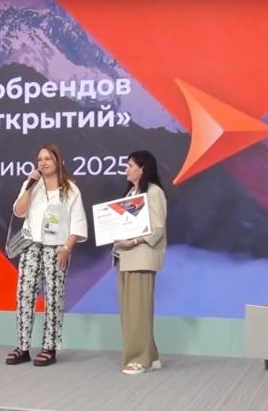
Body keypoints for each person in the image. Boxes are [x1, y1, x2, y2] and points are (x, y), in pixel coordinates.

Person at [5, 143, 87, 366]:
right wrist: (29, 186)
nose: (43, 163)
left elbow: (78, 222)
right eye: (40, 159)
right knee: (24, 295)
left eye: (48, 159)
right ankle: (23, 347)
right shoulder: (32, 184)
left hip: (57, 248)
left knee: (53, 297)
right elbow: (19, 211)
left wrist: (67, 248)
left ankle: (49, 347)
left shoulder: (70, 189)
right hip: (30, 245)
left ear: (58, 161)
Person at [113, 150, 167, 375]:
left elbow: (157, 228)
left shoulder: (154, 192)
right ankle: (150, 356)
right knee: (131, 312)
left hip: (141, 258)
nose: (126, 170)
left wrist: (133, 241)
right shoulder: (132, 193)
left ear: (143, 169)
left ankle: (139, 360)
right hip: (125, 258)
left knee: (138, 312)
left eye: (130, 166)